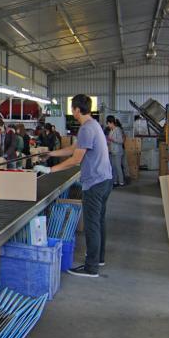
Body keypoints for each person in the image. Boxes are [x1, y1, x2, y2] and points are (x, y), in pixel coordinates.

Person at [46, 94, 113, 278]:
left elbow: (76, 158)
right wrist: (51, 153)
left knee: (92, 224)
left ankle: (91, 267)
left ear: (76, 109)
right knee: (99, 221)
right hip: (105, 180)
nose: (72, 112)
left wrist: (51, 170)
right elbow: (75, 148)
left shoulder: (86, 129)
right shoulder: (93, 125)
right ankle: (98, 258)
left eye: (72, 109)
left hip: (95, 183)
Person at [106, 116, 125, 187]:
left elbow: (121, 141)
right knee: (113, 167)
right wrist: (108, 142)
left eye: (108, 124)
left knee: (118, 167)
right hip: (112, 151)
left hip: (118, 152)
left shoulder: (118, 130)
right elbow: (111, 140)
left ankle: (121, 182)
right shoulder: (111, 131)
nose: (108, 125)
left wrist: (112, 139)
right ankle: (115, 181)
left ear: (111, 123)